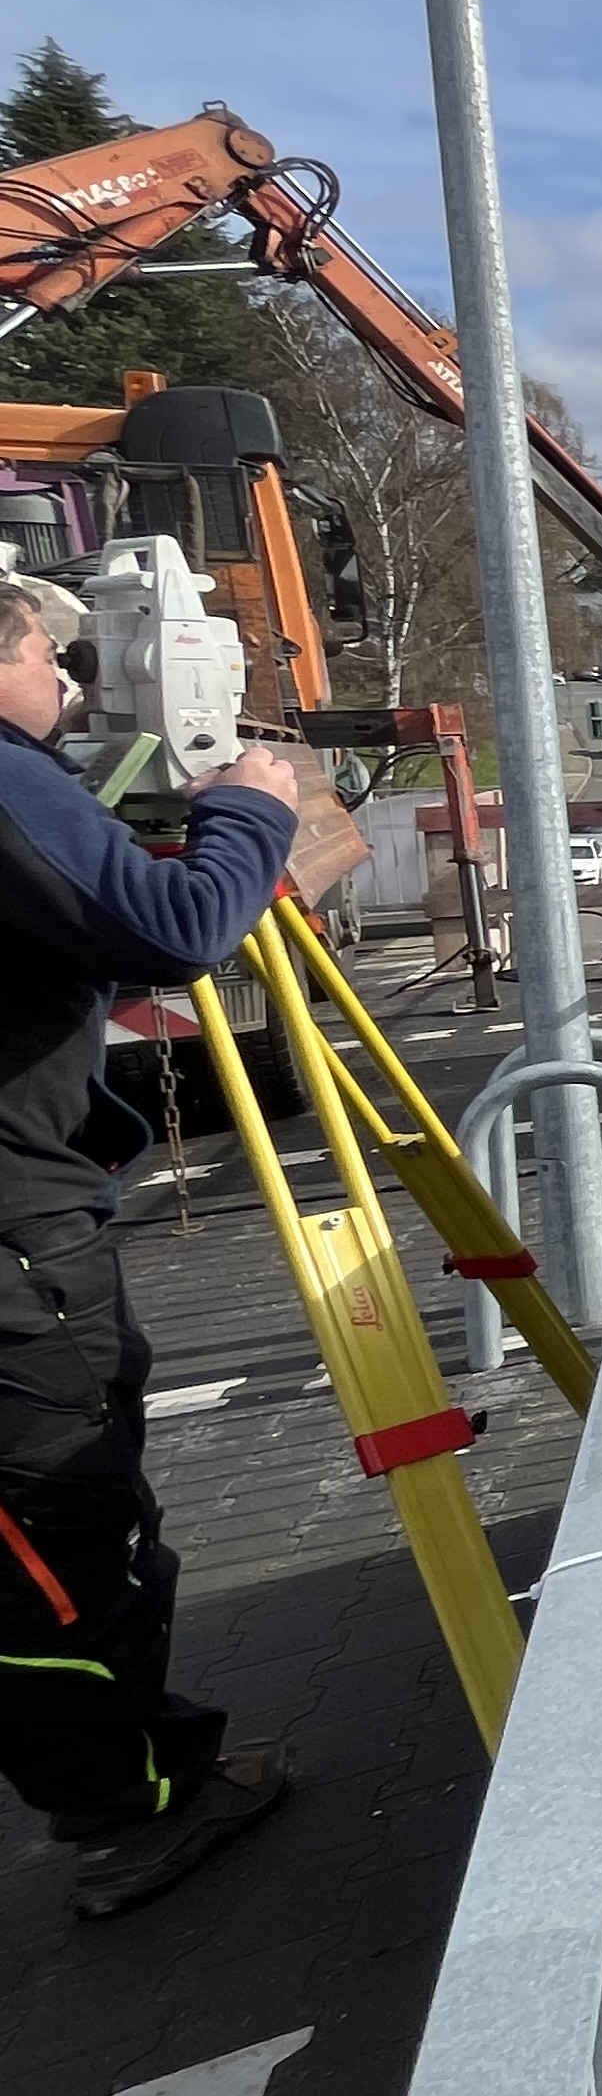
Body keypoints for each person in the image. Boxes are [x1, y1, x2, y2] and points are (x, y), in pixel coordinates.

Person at [0, 572, 303, 1918]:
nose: (65, 691)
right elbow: (172, 928)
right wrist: (252, 813)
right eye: (46, 661)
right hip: (16, 1252)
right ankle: (133, 1806)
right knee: (68, 1533)